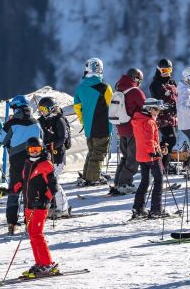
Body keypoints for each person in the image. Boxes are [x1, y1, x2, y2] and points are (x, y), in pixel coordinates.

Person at [0, 137, 59, 278]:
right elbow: (22, 183)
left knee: (37, 234)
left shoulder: (46, 164)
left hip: (40, 206)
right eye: (32, 149)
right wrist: (7, 191)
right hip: (29, 205)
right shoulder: (27, 163)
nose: (35, 152)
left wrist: (44, 200)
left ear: (42, 149)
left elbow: (53, 187)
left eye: (37, 149)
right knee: (32, 235)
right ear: (27, 150)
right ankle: (40, 263)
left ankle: (47, 264)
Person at [1, 95, 43, 234]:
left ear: (17, 107)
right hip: (33, 162)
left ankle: (12, 223)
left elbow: (1, 139)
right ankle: (29, 222)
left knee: (14, 190)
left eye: (13, 107)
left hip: (16, 162)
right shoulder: (36, 122)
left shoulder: (11, 123)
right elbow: (42, 140)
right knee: (29, 191)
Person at [73, 57, 113, 186]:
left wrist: (84, 121)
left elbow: (77, 107)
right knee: (99, 152)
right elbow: (113, 107)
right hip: (103, 126)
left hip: (89, 127)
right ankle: (93, 178)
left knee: (92, 152)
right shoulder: (105, 88)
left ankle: (87, 175)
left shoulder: (80, 88)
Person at [109, 68, 146, 196]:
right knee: (134, 158)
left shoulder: (119, 88)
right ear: (136, 78)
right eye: (139, 80)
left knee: (126, 157)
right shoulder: (135, 91)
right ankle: (125, 184)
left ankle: (118, 182)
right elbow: (145, 107)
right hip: (133, 128)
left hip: (121, 128)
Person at [131, 98, 169, 219]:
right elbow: (149, 140)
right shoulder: (149, 122)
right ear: (148, 109)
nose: (158, 112)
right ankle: (156, 210)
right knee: (159, 180)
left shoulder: (137, 119)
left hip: (141, 155)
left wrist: (158, 148)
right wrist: (154, 152)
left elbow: (145, 139)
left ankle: (138, 209)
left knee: (145, 181)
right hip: (151, 156)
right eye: (156, 109)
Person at [37, 96, 72, 218]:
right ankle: (53, 206)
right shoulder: (42, 120)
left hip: (57, 156)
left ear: (51, 109)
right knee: (46, 182)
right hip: (46, 156)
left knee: (54, 182)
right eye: (39, 109)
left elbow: (62, 139)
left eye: (43, 109)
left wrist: (49, 146)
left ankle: (63, 208)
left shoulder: (59, 120)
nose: (41, 112)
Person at [149, 59, 178, 173]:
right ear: (159, 70)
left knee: (169, 140)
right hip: (162, 117)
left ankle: (164, 164)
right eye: (164, 70)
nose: (167, 72)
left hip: (173, 117)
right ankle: (160, 166)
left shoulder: (172, 82)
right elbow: (157, 102)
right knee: (171, 139)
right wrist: (168, 106)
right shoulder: (155, 84)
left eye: (169, 69)